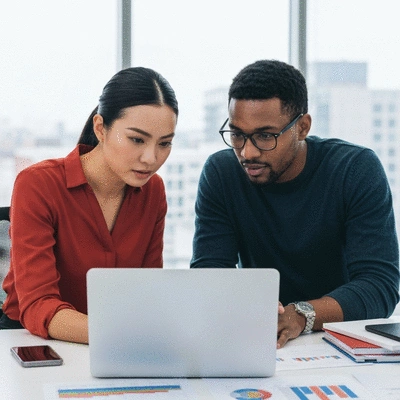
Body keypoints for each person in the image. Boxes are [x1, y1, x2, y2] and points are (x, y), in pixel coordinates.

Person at [190, 59, 400, 348]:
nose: (247, 152)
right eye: (237, 134)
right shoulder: (221, 172)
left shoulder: (355, 169)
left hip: (339, 341)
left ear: (302, 127)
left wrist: (301, 315)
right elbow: (208, 274)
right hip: (260, 336)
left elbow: (380, 286)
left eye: (265, 136)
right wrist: (242, 306)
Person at [0, 67, 178, 344]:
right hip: (30, 339)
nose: (150, 158)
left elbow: (147, 292)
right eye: (137, 139)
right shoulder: (37, 184)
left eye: (164, 143)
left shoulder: (152, 191)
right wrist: (123, 335)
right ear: (100, 128)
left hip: (115, 341)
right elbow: (38, 304)